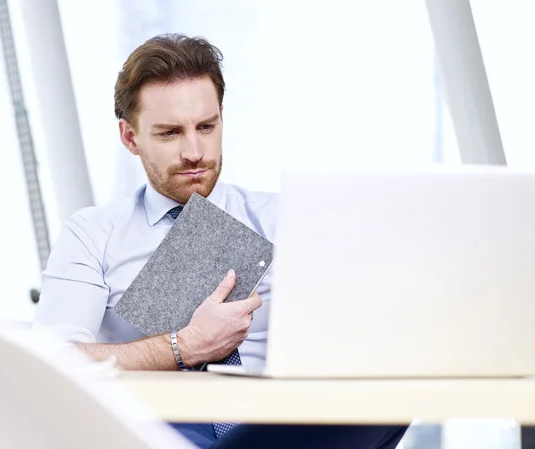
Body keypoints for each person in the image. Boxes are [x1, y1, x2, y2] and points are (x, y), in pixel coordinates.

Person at [33, 33, 407, 449]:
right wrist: (183, 346)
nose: (195, 151)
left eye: (206, 127)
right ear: (130, 137)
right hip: (157, 433)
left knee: (391, 395)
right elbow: (49, 361)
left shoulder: (288, 219)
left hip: (278, 427)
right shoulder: (93, 234)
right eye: (170, 133)